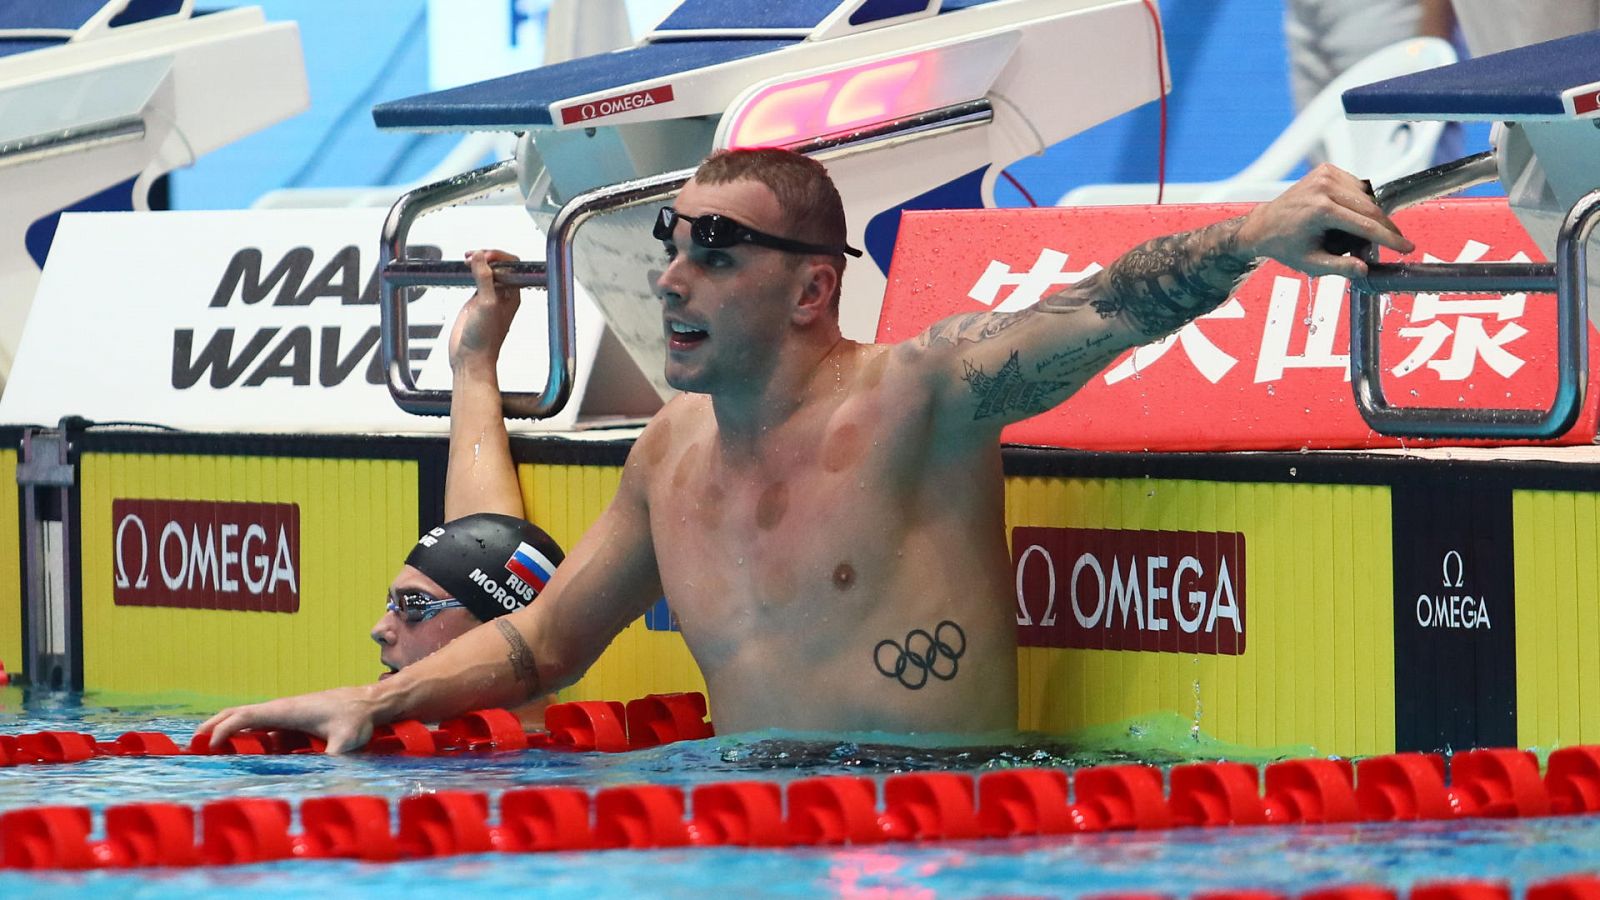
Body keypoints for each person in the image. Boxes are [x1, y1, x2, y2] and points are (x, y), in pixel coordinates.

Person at [199, 148, 1412, 752]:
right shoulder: (666, 459)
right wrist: (374, 700)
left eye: (716, 252)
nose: (673, 278)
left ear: (809, 290)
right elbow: (541, 643)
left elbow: (1103, 306)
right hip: (747, 835)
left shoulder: (919, 399)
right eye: (674, 244)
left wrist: (1252, 233)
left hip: (947, 837)